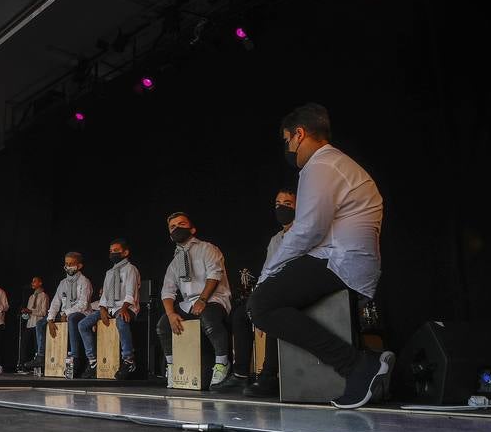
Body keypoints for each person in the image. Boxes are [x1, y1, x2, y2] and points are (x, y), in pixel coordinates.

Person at [247, 103, 392, 408]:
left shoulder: (319, 165)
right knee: (272, 297)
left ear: (299, 135)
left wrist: (267, 275)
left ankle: (358, 366)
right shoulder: (338, 163)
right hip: (347, 259)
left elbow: (308, 230)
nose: (289, 149)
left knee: (261, 304)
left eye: (288, 140)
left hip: (341, 261)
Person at [156, 212, 235, 389]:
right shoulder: (174, 262)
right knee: (163, 325)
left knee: (209, 318)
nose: (177, 228)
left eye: (181, 224)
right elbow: (167, 291)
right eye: (172, 226)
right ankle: (172, 366)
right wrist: (170, 314)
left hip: (214, 298)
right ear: (170, 235)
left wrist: (203, 299)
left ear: (192, 228)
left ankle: (222, 363)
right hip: (189, 303)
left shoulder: (207, 248)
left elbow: (214, 275)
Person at [234, 188, 296, 385]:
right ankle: (241, 373)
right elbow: (266, 272)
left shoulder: (306, 232)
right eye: (278, 204)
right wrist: (255, 301)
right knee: (241, 314)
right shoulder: (275, 240)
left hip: (295, 288)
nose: (281, 208)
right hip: (272, 290)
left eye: (287, 204)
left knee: (271, 311)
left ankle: (269, 374)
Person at [77, 239, 141, 379]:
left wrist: (124, 308)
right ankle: (93, 361)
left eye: (116, 251)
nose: (112, 253)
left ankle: (129, 360)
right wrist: (102, 309)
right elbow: (105, 295)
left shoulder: (131, 269)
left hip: (126, 306)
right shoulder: (109, 272)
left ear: (125, 252)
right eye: (111, 251)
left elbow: (131, 294)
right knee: (83, 324)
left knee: (121, 320)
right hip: (109, 308)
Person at [43, 252, 93, 375]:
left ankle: (75, 358)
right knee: (40, 323)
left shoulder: (84, 281)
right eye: (66, 264)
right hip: (65, 314)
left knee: (73, 318)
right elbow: (55, 302)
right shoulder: (63, 283)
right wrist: (50, 319)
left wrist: (66, 313)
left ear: (79, 266)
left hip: (82, 314)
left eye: (71, 264)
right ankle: (41, 356)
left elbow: (83, 305)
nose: (68, 266)